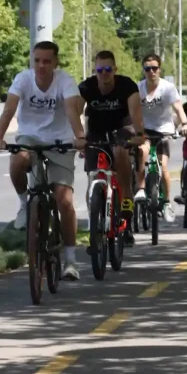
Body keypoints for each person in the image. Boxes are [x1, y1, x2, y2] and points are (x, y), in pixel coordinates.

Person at [0, 41, 86, 281]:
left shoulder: (65, 80)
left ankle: (70, 260)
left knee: (64, 199)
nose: (41, 66)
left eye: (46, 61)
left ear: (55, 62)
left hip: (61, 140)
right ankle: (25, 203)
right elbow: (9, 109)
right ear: (32, 61)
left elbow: (73, 111)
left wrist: (80, 138)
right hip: (30, 137)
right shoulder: (23, 79)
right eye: (37, 60)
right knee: (17, 160)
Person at [76, 50, 144, 246]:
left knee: (120, 151)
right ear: (94, 70)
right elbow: (75, 110)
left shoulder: (127, 85)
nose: (104, 73)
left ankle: (126, 215)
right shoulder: (87, 87)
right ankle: (95, 224)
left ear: (114, 69)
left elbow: (136, 113)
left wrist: (139, 134)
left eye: (108, 69)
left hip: (122, 128)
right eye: (100, 69)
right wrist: (78, 136)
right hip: (96, 132)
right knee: (92, 178)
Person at [137, 54, 187, 222]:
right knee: (141, 153)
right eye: (147, 69)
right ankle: (140, 188)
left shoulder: (167, 88)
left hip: (164, 130)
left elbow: (178, 108)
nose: (151, 72)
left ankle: (166, 202)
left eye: (154, 68)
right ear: (144, 70)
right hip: (145, 129)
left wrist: (185, 124)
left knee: (163, 166)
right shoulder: (138, 88)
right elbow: (131, 110)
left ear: (159, 69)